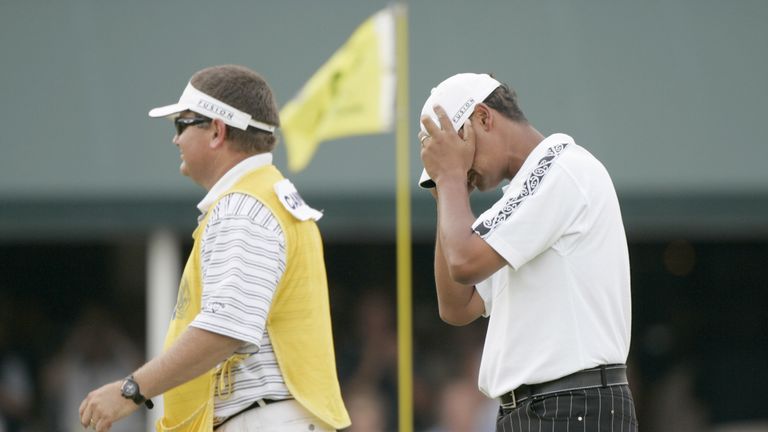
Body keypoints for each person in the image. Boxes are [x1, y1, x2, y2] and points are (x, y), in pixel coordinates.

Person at [79, 65, 351, 432]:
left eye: (181, 124)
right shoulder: (264, 198)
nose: (175, 139)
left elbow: (227, 328)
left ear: (216, 131)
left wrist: (131, 390)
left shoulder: (244, 208)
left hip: (260, 421)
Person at [417, 73, 637, 432]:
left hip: (573, 406)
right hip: (536, 410)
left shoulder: (563, 170)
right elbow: (457, 307)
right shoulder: (520, 199)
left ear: (484, 118)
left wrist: (452, 178)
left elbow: (464, 262)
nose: (462, 171)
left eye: (459, 153)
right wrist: (447, 193)